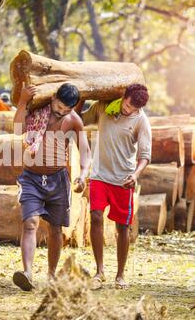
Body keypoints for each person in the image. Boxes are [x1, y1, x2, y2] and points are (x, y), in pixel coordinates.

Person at [13, 83, 91, 291]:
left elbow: (85, 151)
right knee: (30, 222)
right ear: (54, 96)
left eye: (67, 109)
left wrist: (83, 174)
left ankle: (51, 274)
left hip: (58, 180)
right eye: (59, 105)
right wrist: (22, 100)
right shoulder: (37, 110)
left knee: (56, 230)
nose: (61, 111)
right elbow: (17, 129)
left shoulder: (74, 121)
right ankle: (27, 273)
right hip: (31, 177)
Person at [78, 84, 152, 289]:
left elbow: (145, 156)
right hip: (99, 175)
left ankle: (120, 275)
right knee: (95, 216)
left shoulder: (141, 121)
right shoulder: (104, 107)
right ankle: (99, 271)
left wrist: (135, 175)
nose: (127, 110)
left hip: (123, 179)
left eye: (132, 109)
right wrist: (81, 96)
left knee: (123, 227)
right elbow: (80, 120)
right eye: (126, 104)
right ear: (123, 96)